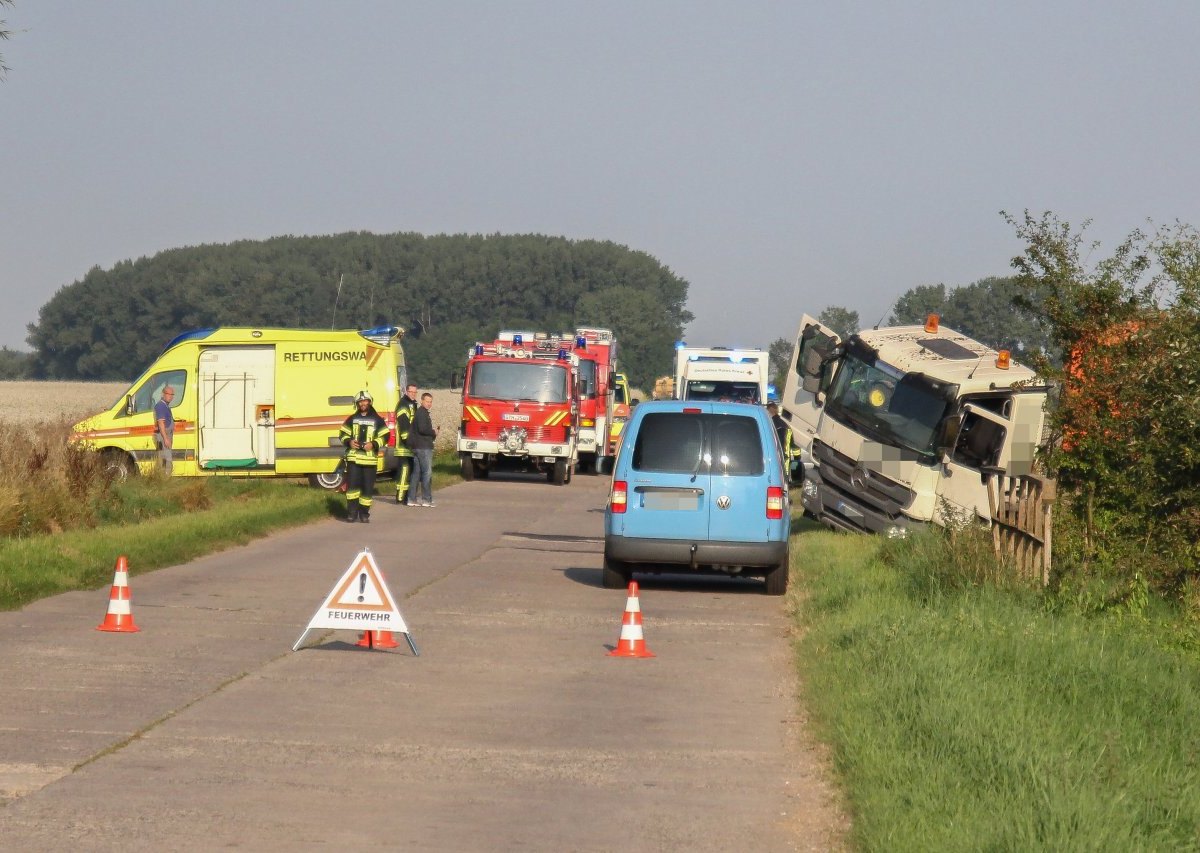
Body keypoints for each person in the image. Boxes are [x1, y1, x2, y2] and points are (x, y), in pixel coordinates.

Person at [339, 390, 390, 523]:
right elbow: (342, 434)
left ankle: (364, 514)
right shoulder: (351, 419)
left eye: (365, 401)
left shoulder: (377, 419)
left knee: (367, 489)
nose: (363, 403)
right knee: (352, 489)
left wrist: (373, 444)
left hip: (369, 460)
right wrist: (349, 442)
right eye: (360, 402)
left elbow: (385, 435)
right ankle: (351, 513)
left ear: (369, 402)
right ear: (357, 403)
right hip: (353, 459)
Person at [408, 392, 439, 507]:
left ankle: (411, 499)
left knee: (416, 473)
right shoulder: (421, 413)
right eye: (427, 401)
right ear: (421, 401)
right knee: (427, 473)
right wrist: (433, 432)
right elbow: (422, 429)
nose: (429, 404)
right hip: (423, 447)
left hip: (418, 446)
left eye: (430, 402)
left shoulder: (422, 412)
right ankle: (426, 499)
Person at [394, 382, 418, 505]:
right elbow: (404, 426)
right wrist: (408, 441)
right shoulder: (403, 405)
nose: (413, 394)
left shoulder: (412, 404)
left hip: (410, 444)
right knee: (404, 471)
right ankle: (400, 497)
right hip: (404, 445)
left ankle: (406, 496)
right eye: (411, 392)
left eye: (415, 392)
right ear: (406, 392)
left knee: (409, 471)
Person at [766, 402, 800, 482]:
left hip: (774, 463)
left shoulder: (771, 425)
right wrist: (796, 463)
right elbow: (795, 447)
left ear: (769, 411)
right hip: (785, 465)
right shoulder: (786, 426)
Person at [154, 385, 176, 474]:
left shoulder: (166, 406)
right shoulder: (161, 406)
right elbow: (161, 423)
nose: (170, 396)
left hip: (167, 435)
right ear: (163, 394)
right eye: (168, 394)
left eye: (172, 394)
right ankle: (165, 478)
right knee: (167, 459)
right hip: (163, 436)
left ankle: (164, 477)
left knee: (165, 457)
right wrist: (166, 438)